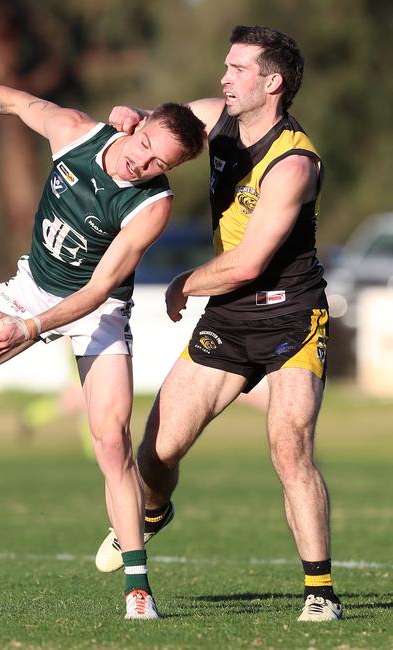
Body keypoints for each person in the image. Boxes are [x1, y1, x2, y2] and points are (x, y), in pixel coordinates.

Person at [0, 77, 206, 619]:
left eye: (157, 165)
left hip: (98, 314)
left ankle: (138, 587)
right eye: (144, 148)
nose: (141, 166)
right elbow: (11, 101)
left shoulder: (153, 207)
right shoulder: (75, 135)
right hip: (29, 290)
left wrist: (31, 330)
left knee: (111, 441)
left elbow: (99, 290)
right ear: (136, 124)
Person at [95, 25, 343, 623]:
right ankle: (154, 511)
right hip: (229, 320)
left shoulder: (294, 165)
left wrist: (183, 283)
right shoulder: (214, 119)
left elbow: (250, 262)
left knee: (290, 447)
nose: (223, 77)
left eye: (236, 69)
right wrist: (131, 121)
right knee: (155, 455)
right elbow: (162, 127)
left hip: (291, 314)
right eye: (225, 67)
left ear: (272, 82)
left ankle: (320, 594)